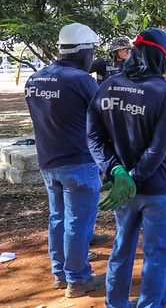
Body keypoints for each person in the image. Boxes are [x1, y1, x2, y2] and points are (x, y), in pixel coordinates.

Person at [87, 27, 166, 308]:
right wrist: (132, 176)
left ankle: (115, 304)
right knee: (158, 257)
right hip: (159, 188)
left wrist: (115, 171)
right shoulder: (165, 92)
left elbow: (93, 137)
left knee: (121, 250)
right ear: (160, 57)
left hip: (123, 191)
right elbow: (158, 147)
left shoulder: (107, 86)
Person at [24, 23, 104, 298]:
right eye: (92, 51)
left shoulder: (35, 79)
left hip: (49, 161)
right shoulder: (82, 81)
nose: (93, 57)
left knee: (57, 217)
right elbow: (103, 120)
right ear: (82, 51)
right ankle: (78, 279)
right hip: (79, 161)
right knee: (78, 221)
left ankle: (59, 273)